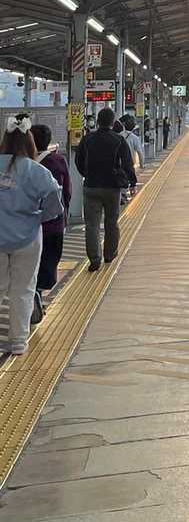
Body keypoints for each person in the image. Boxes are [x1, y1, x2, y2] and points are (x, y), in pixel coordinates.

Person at [0, 114, 62, 356]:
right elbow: (54, 204)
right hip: (27, 238)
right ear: (30, 141)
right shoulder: (37, 171)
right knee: (23, 288)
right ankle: (18, 341)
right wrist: (38, 217)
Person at [74, 107, 136, 271]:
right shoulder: (118, 140)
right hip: (112, 187)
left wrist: (86, 174)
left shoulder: (87, 139)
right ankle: (109, 254)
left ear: (98, 121)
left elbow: (78, 160)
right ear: (113, 122)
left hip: (91, 186)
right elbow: (128, 163)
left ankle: (94, 259)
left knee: (92, 224)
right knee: (111, 222)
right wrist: (132, 182)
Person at [29, 123, 71, 325]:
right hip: (53, 225)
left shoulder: (22, 164)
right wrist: (65, 217)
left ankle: (32, 291)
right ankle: (38, 290)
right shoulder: (58, 161)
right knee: (49, 261)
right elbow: (67, 193)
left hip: (27, 226)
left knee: (28, 265)